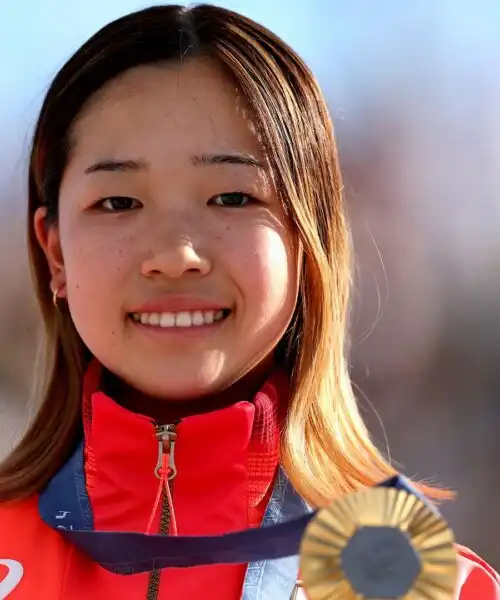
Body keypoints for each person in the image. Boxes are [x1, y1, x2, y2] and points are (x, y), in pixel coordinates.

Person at [0, 4, 498, 599]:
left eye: (232, 198)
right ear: (55, 252)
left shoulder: (421, 584)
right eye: (118, 203)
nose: (176, 254)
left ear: (307, 240)